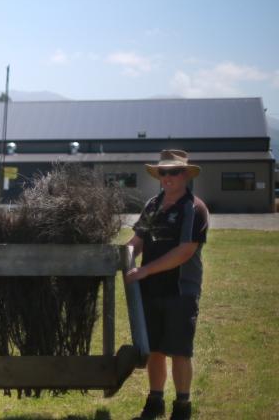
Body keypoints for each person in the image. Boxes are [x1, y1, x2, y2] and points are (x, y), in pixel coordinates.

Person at [124, 150, 209, 420]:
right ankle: (155, 402)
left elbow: (185, 251)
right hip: (150, 290)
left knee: (180, 351)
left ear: (185, 174)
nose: (168, 177)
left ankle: (182, 407)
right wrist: (120, 257)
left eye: (174, 172)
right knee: (156, 350)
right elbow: (137, 241)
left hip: (180, 291)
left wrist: (145, 269)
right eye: (163, 172)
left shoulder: (194, 208)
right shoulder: (153, 205)